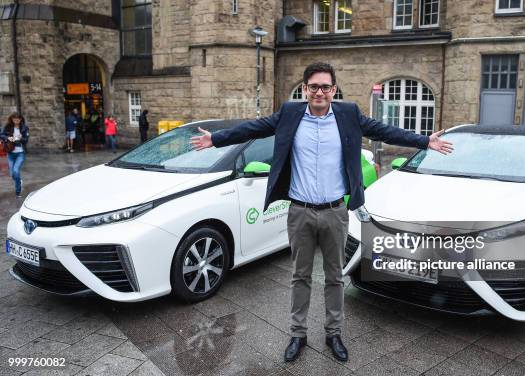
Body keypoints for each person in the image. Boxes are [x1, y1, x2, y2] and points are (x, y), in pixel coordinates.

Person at [190, 62, 453, 363]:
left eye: (325, 87)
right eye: (313, 86)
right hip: (300, 212)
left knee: (335, 278)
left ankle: (334, 333)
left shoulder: (348, 114)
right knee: (300, 277)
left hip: (335, 212)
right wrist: (216, 139)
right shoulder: (290, 114)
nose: (319, 92)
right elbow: (255, 127)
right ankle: (297, 334)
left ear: (333, 90)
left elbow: (384, 130)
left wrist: (424, 141)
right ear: (305, 89)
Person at [1, 112, 29, 198]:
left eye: (17, 119)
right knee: (12, 173)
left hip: (20, 153)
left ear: (20, 119)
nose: (16, 120)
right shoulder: (8, 126)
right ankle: (19, 181)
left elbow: (26, 140)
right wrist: (7, 138)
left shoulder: (24, 128)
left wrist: (21, 138)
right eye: (14, 119)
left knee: (16, 171)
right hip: (10, 153)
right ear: (12, 119)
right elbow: (1, 134)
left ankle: (18, 191)